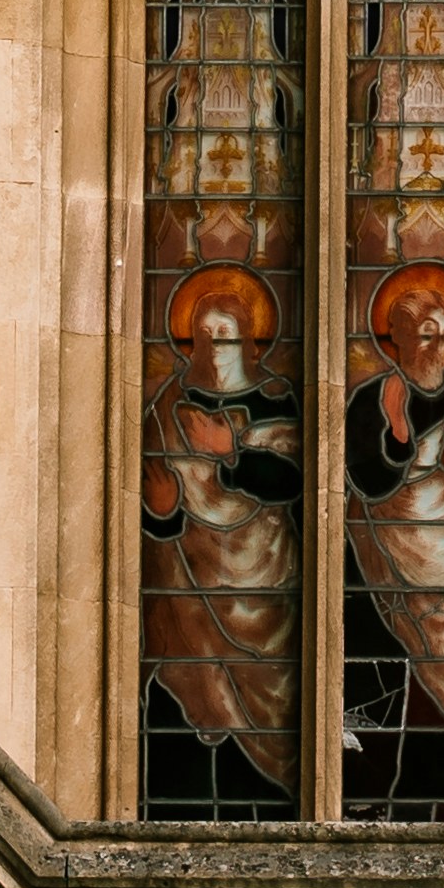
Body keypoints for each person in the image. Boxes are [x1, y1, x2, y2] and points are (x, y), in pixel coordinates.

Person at [341, 258, 444, 791]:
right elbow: (370, 481)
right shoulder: (372, 399)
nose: (440, 350)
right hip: (397, 552)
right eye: (428, 336)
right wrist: (396, 429)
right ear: (400, 339)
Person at [141, 263, 300, 793]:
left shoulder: (278, 402)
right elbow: (151, 505)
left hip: (268, 583)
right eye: (203, 339)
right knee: (190, 704)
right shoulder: (165, 407)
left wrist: (230, 453)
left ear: (251, 344)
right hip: (188, 592)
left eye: (226, 340)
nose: (213, 351)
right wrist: (162, 514)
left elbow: (296, 483)